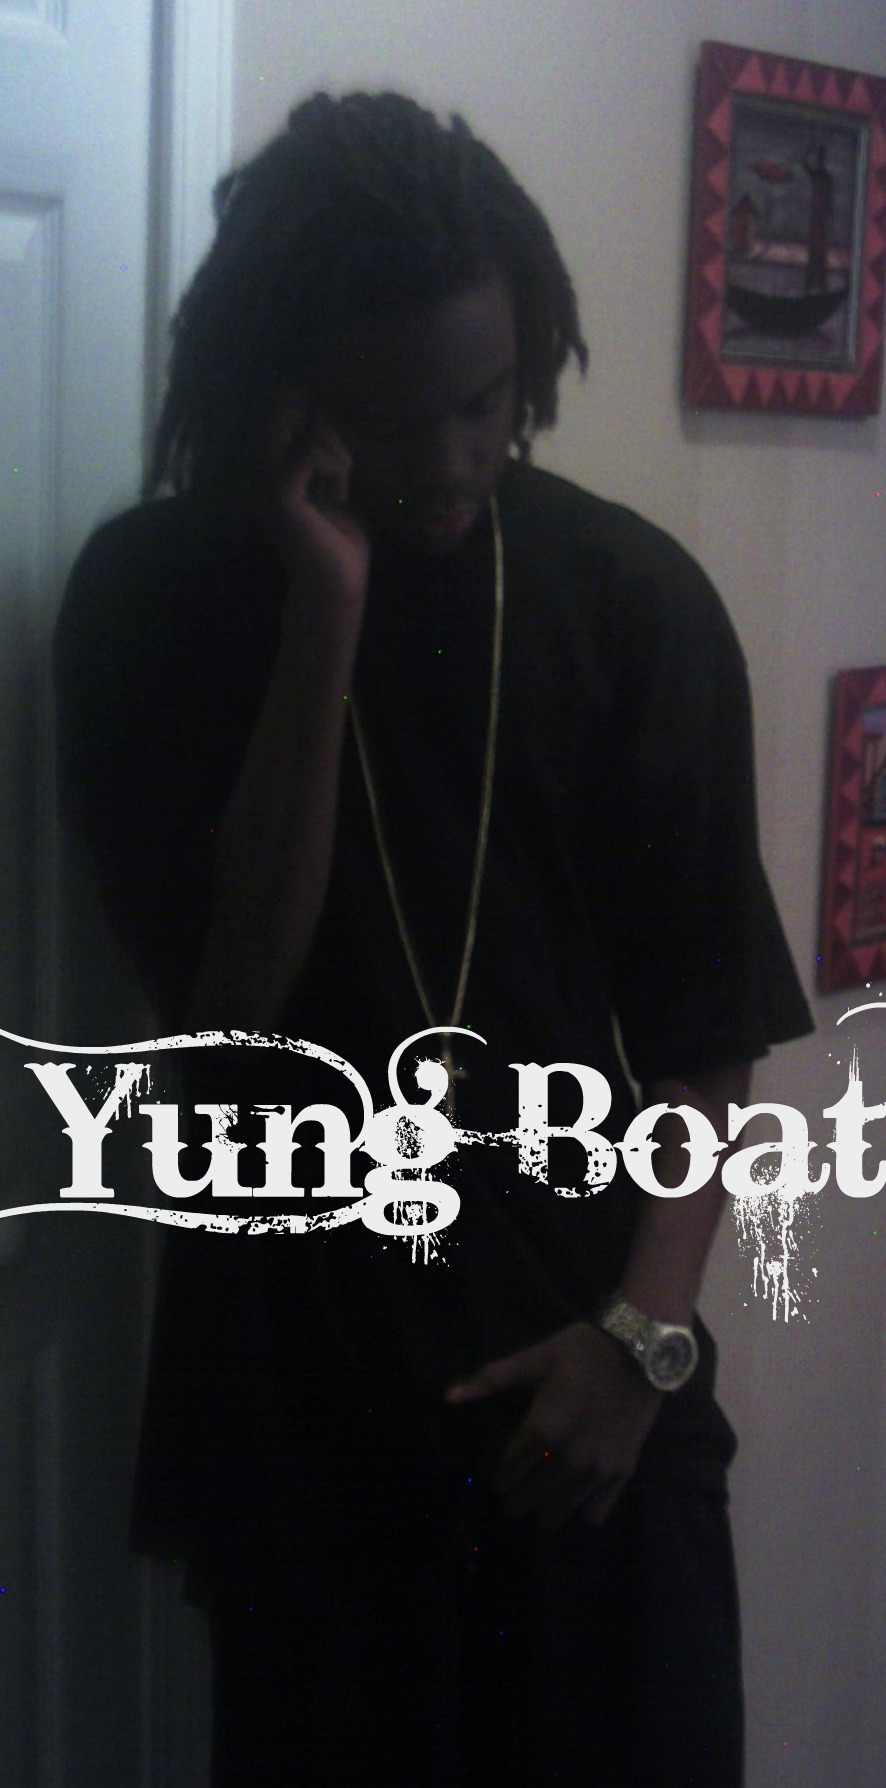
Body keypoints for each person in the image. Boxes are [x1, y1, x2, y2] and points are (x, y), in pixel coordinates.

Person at [54, 90, 813, 1787]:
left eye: (486, 403)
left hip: (591, 1372)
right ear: (277, 388)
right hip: (305, 1398)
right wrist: (325, 608)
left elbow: (704, 1030)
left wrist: (643, 1341)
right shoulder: (153, 601)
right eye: (395, 423)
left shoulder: (629, 602)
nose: (456, 461)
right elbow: (229, 1005)